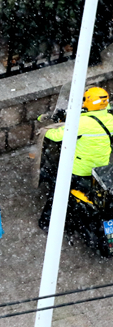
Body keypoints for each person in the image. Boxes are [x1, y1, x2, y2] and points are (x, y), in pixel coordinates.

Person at [38, 87, 113, 230]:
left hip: (79, 170)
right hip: (100, 170)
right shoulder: (110, 119)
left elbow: (58, 136)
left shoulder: (82, 124)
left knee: (57, 191)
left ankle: (46, 222)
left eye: (85, 99)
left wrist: (44, 131)